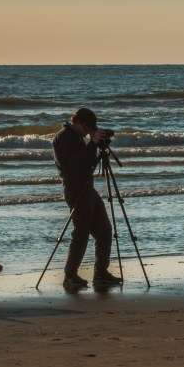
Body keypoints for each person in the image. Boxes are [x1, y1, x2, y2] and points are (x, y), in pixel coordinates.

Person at [51, 108, 122, 289]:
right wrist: (93, 143)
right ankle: (70, 276)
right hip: (75, 190)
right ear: (78, 122)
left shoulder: (77, 137)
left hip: (87, 188)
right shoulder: (65, 136)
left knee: (104, 230)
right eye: (87, 128)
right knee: (81, 232)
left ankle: (100, 273)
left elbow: (87, 162)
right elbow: (77, 162)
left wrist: (98, 146)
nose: (88, 131)